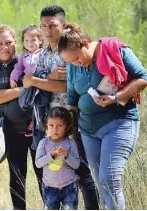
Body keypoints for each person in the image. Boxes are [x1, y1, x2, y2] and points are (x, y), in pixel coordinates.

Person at [59, 23, 147, 210]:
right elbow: (72, 98)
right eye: (71, 62)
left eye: (77, 58)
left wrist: (116, 97)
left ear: (84, 43)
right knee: (100, 183)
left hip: (119, 123)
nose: (76, 64)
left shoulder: (113, 50)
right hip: (88, 130)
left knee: (109, 179)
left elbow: (143, 78)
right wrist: (68, 129)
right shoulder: (72, 66)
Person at [22, 5, 100, 210]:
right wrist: (42, 78)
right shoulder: (44, 53)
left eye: (52, 25)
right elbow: (40, 82)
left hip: (73, 118)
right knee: (51, 170)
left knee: (81, 169)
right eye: (43, 26)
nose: (47, 30)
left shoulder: (69, 50)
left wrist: (35, 80)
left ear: (63, 25)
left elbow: (68, 86)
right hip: (53, 121)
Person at [0, 25, 43, 210]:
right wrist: (23, 90)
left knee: (44, 174)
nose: (4, 47)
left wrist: (7, 92)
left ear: (16, 43)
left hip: (37, 127)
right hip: (10, 130)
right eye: (0, 43)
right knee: (16, 176)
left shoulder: (27, 61)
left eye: (8, 42)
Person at [35, 107, 81, 210]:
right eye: (51, 125)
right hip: (49, 188)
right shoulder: (44, 143)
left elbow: (76, 165)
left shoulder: (70, 143)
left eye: (60, 126)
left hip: (69, 187)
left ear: (67, 126)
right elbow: (38, 163)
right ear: (46, 125)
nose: (55, 129)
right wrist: (50, 156)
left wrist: (66, 155)